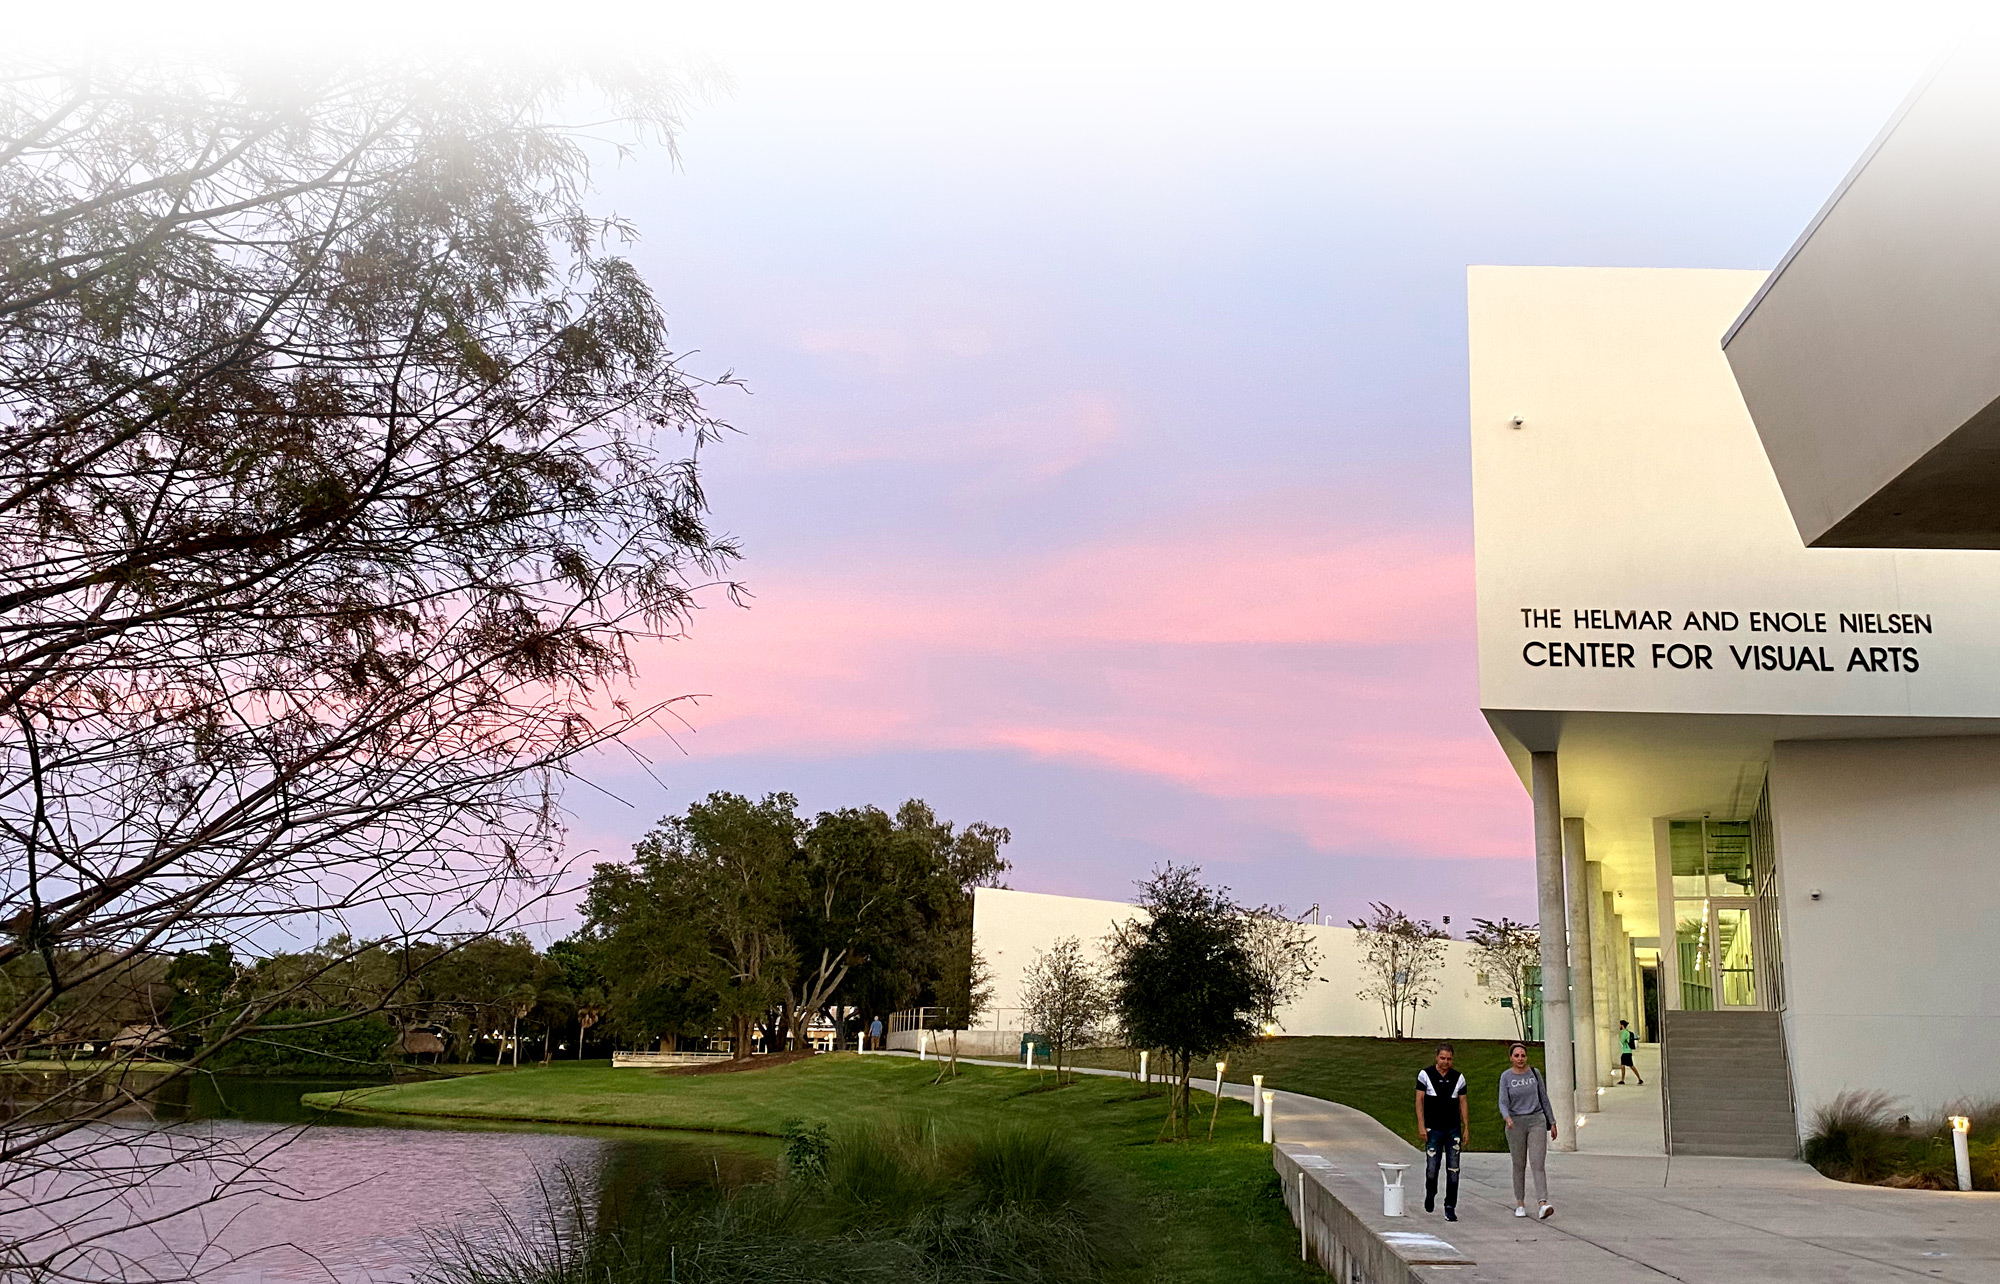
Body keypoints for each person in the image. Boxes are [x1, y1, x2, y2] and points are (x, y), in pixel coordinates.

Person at [1497, 1040, 1557, 1220]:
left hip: (1536, 1120)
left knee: (1538, 1163)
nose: (1520, 1058)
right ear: (1511, 1058)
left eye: (1523, 1055)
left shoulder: (1534, 1074)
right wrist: (1507, 1117)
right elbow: (1502, 1101)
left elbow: (1544, 1098)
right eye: (1517, 1056)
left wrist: (1551, 1121)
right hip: (1515, 1123)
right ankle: (1520, 1203)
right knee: (1519, 1164)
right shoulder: (1506, 1077)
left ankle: (1542, 1203)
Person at [1414, 1041, 1469, 1221]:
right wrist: (1421, 1125)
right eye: (1442, 1058)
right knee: (1432, 1168)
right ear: (1436, 1057)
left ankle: (1450, 1205)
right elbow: (1419, 1101)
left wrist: (1466, 1127)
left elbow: (1462, 1102)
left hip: (1452, 1130)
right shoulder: (1425, 1075)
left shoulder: (1458, 1078)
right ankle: (1431, 1192)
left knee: (1453, 1170)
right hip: (1433, 1130)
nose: (1445, 1062)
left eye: (1449, 1059)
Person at [1614, 1020, 1644, 1085]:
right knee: (1623, 1065)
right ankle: (1622, 1080)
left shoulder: (1624, 1032)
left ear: (1622, 1025)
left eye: (1619, 1024)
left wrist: (1618, 1037)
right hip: (1626, 1051)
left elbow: (1622, 1041)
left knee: (1631, 1066)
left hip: (1626, 1051)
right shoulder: (1626, 1032)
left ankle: (1639, 1078)